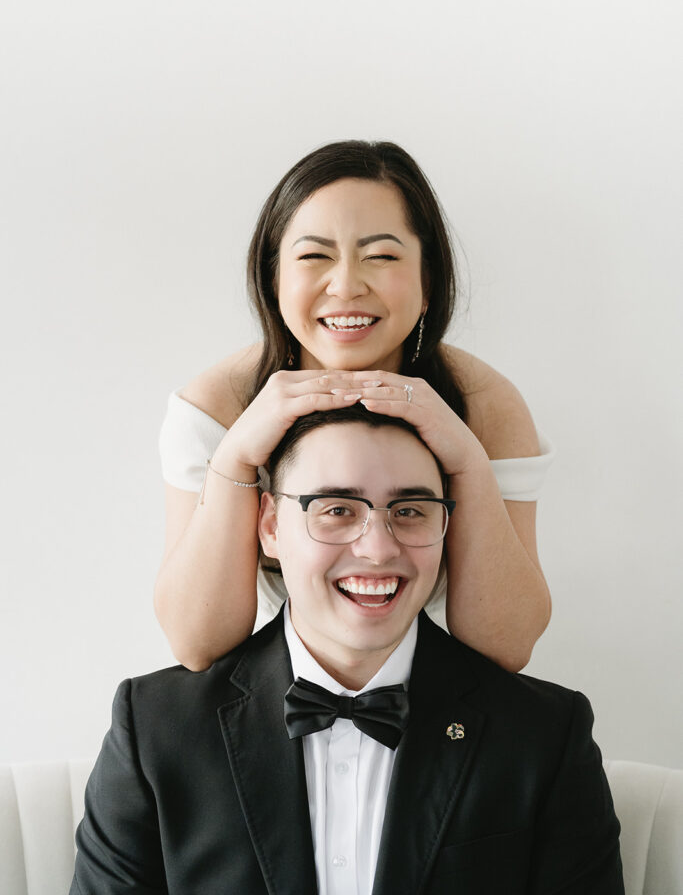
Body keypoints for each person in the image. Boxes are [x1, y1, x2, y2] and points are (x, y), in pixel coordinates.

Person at [72, 406, 622, 894]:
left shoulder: (544, 733)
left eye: (410, 510)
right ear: (269, 526)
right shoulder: (153, 727)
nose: (379, 549)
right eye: (335, 509)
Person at [156, 140, 554, 673]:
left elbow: (506, 646)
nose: (346, 286)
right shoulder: (216, 406)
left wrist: (466, 460)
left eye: (382, 256)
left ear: (427, 280)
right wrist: (235, 459)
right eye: (314, 256)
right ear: (274, 277)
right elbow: (197, 644)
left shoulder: (486, 405)